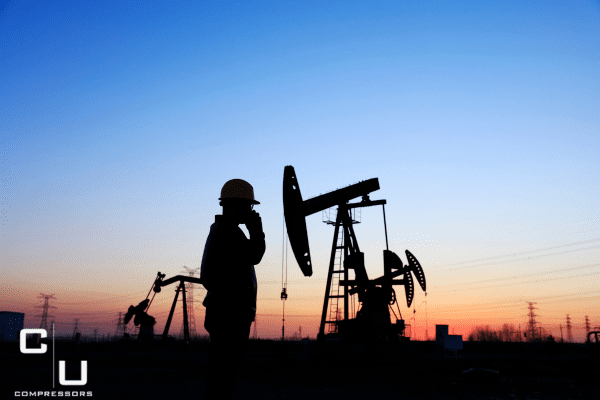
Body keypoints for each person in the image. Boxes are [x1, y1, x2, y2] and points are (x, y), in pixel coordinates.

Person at [200, 179, 265, 400]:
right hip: (229, 314)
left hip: (225, 312)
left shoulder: (223, 231)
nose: (251, 211)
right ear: (236, 203)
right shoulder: (229, 233)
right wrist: (256, 230)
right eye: (248, 206)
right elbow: (255, 255)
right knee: (224, 374)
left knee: (222, 372)